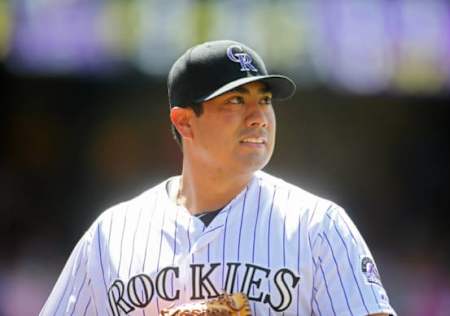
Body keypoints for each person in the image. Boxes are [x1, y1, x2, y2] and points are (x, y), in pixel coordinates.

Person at [40, 40, 396, 316]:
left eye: (266, 99)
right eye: (236, 100)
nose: (259, 116)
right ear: (184, 121)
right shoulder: (111, 235)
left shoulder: (318, 226)